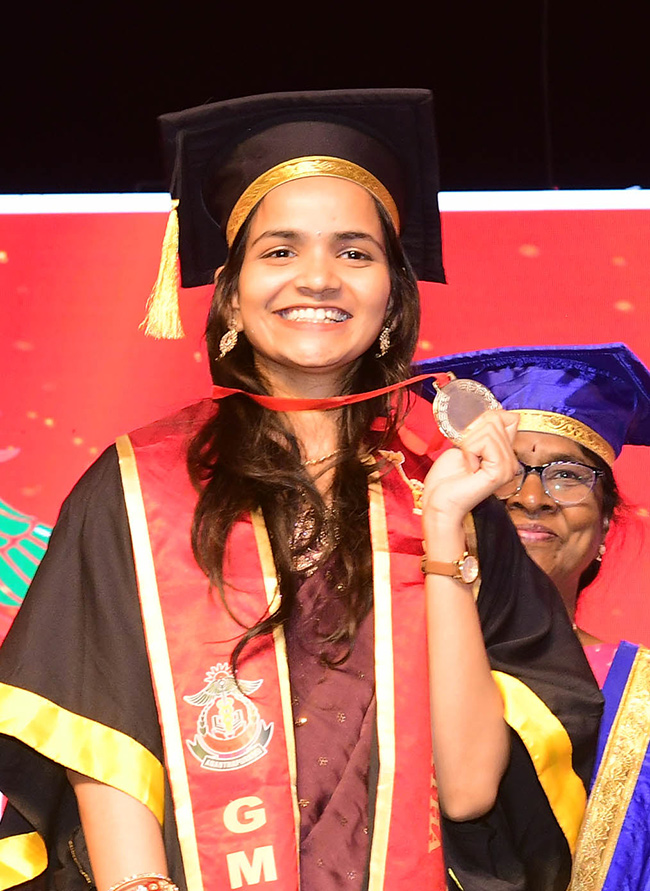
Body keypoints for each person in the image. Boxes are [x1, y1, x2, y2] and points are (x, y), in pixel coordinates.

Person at [0, 91, 601, 891]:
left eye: (355, 252)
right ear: (233, 292)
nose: (318, 276)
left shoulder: (443, 486)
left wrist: (448, 528)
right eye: (279, 251)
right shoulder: (137, 487)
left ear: (392, 295)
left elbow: (469, 788)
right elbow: (101, 744)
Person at [416, 342, 650, 890]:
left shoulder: (638, 696)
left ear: (607, 528)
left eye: (568, 475)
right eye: (504, 470)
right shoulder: (389, 654)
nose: (532, 497)